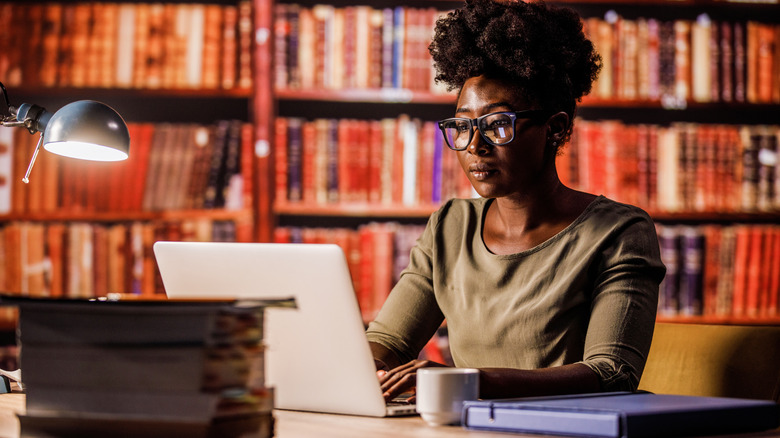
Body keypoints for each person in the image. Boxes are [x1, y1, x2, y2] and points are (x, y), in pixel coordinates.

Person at [365, 0, 666, 401]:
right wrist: (362, 365)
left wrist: (469, 382)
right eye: (462, 126)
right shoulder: (451, 226)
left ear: (554, 129)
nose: (474, 145)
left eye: (497, 124)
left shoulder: (619, 233)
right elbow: (387, 342)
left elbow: (612, 374)